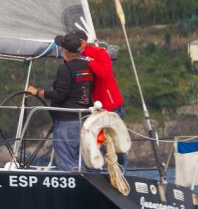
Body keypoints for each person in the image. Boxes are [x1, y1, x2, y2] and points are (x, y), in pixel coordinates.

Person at [27, 33, 94, 172]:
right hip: (85, 120)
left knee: (66, 163)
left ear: (65, 50)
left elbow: (59, 95)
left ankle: (73, 184)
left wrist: (37, 92)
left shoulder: (66, 69)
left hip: (67, 122)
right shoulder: (88, 66)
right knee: (82, 162)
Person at [72, 29, 128, 168]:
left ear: (83, 42)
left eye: (75, 42)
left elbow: (103, 73)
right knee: (97, 142)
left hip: (111, 104)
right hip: (93, 108)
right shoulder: (74, 58)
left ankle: (122, 171)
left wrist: (89, 61)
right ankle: (99, 171)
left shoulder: (99, 52)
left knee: (117, 142)